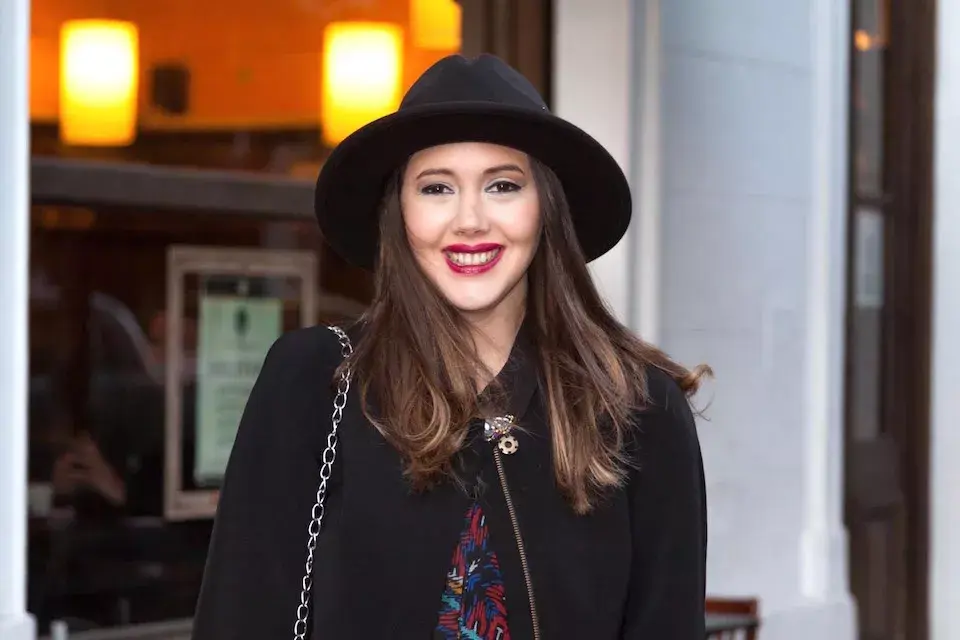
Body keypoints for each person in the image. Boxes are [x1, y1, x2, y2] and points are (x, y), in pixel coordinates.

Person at [192, 54, 708, 639]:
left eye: (503, 185)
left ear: (546, 208)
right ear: (400, 211)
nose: (470, 220)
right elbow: (239, 616)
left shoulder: (639, 407)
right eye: (436, 188)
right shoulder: (316, 381)